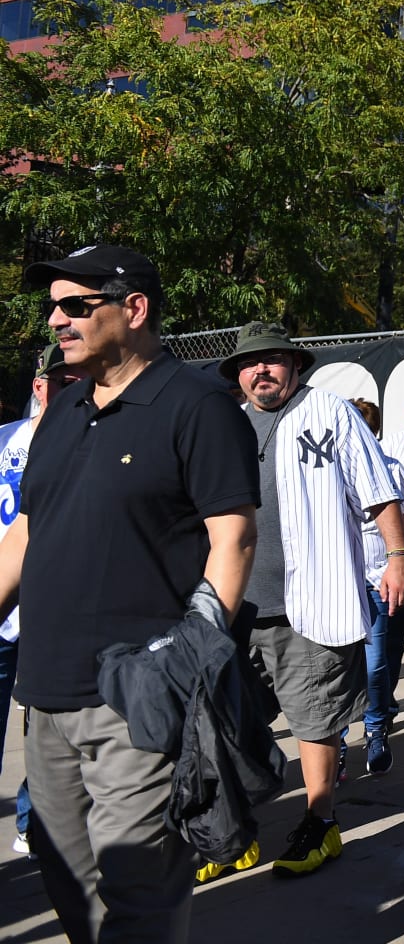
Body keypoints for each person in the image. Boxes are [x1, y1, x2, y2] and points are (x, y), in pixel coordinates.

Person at [0, 245, 259, 942]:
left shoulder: (198, 405)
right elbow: (28, 527)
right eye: (52, 305)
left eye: (75, 306)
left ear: (134, 308)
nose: (55, 319)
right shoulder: (64, 406)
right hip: (46, 694)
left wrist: (187, 659)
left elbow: (232, 539)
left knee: (139, 889)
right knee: (67, 880)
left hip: (137, 699)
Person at [218, 322, 404, 877]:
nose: (262, 371)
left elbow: (380, 493)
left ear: (294, 365)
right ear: (238, 373)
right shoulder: (227, 424)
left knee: (314, 720)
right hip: (235, 606)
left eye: (274, 360)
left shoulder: (330, 412)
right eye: (252, 363)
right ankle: (240, 829)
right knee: (229, 721)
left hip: (311, 600)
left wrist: (398, 558)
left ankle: (319, 821)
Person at [0, 344, 80, 857]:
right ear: (38, 386)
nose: (68, 390)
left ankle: (33, 823)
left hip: (56, 615)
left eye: (77, 381)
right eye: (58, 381)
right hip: (5, 612)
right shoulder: (6, 441)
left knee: (46, 733)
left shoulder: (90, 440)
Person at [348, 398, 404, 775]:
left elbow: (403, 521)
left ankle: (376, 731)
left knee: (375, 665)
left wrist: (399, 563)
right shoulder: (330, 469)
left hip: (377, 582)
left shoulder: (390, 468)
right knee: (335, 667)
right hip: (338, 584)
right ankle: (337, 741)